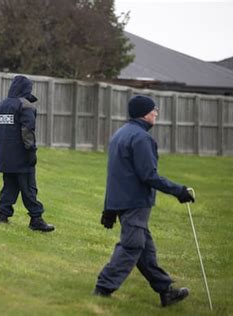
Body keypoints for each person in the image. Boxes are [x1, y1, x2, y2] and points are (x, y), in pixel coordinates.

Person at [93, 95, 195, 307]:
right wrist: (179, 191)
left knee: (144, 250)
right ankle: (103, 288)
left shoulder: (120, 134)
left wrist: (110, 208)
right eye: (154, 109)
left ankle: (166, 291)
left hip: (124, 202)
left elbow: (115, 175)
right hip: (135, 202)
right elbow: (149, 175)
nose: (156, 113)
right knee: (132, 246)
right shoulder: (141, 138)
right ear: (144, 113)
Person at [0, 75, 54, 232]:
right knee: (29, 188)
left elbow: (0, 130)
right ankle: (36, 219)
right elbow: (27, 131)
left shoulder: (2, 105)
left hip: (5, 155)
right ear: (26, 89)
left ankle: (3, 215)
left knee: (9, 186)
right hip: (21, 155)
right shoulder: (26, 106)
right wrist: (31, 151)